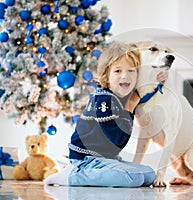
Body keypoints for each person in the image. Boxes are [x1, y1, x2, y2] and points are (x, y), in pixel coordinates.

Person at [45, 42, 168, 187]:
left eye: (131, 71)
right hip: (86, 160)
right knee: (134, 179)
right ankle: (71, 176)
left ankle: (99, 172)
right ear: (106, 75)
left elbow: (142, 95)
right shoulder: (103, 100)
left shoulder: (123, 97)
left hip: (107, 160)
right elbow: (116, 139)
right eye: (117, 71)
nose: (125, 76)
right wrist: (129, 108)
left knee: (149, 175)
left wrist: (157, 82)